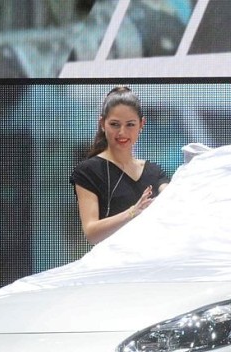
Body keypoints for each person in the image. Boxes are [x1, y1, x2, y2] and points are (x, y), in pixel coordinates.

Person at [71, 86, 171, 244]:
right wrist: (132, 212)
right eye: (115, 124)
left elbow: (174, 199)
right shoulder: (88, 171)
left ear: (141, 124)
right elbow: (91, 233)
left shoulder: (154, 172)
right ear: (102, 124)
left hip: (152, 262)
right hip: (112, 265)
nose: (122, 132)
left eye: (130, 124)